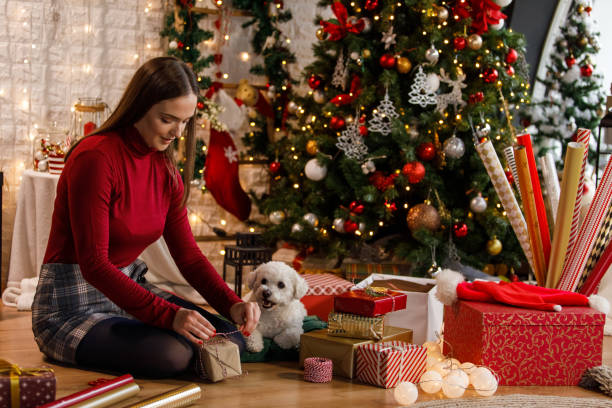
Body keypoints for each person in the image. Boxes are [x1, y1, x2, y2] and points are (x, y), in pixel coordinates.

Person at [31, 56, 260, 378]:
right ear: (140, 106)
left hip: (127, 291)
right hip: (71, 305)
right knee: (172, 354)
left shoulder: (165, 168)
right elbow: (94, 265)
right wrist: (169, 317)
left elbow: (189, 257)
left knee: (230, 338)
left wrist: (232, 303)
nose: (177, 132)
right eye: (168, 119)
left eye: (185, 121)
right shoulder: (96, 157)